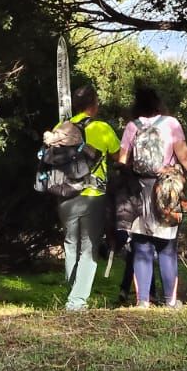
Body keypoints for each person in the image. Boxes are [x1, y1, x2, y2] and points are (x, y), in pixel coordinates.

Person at [115, 84, 187, 308]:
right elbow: (185, 157)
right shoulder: (171, 124)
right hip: (167, 191)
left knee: (141, 247)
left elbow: (121, 162)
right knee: (167, 248)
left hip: (139, 192)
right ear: (158, 103)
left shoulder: (132, 126)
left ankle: (142, 302)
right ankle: (170, 301)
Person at [57, 83, 119, 311]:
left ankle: (73, 293)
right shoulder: (102, 128)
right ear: (93, 105)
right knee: (89, 248)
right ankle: (76, 301)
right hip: (93, 194)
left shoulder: (61, 126)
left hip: (64, 194)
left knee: (70, 244)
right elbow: (119, 156)